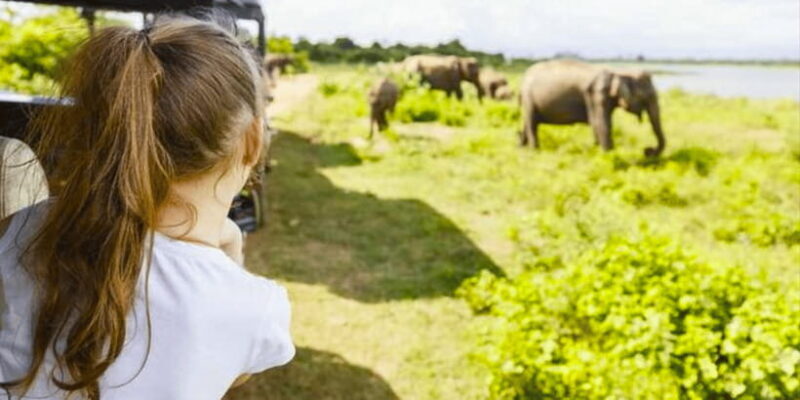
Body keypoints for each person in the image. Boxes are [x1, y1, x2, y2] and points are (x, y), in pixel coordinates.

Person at [0, 14, 293, 400]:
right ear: (252, 140)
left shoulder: (25, 228)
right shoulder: (256, 308)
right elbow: (232, 371)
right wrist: (232, 249)